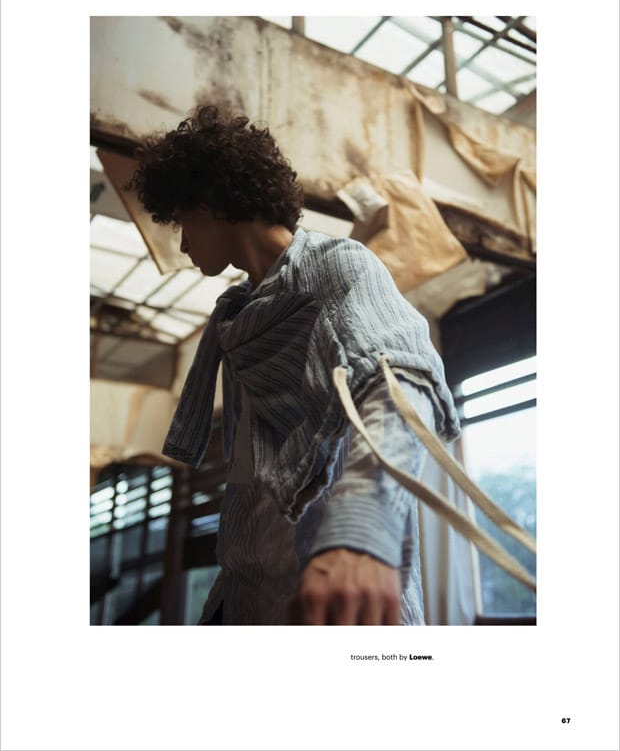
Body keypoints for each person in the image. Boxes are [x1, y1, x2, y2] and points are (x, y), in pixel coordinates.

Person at [127, 105, 460, 625]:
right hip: (247, 601)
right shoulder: (238, 320)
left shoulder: (335, 266)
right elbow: (250, 480)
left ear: (210, 202)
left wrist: (362, 530)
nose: (184, 243)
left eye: (183, 221)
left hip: (337, 600)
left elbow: (402, 383)